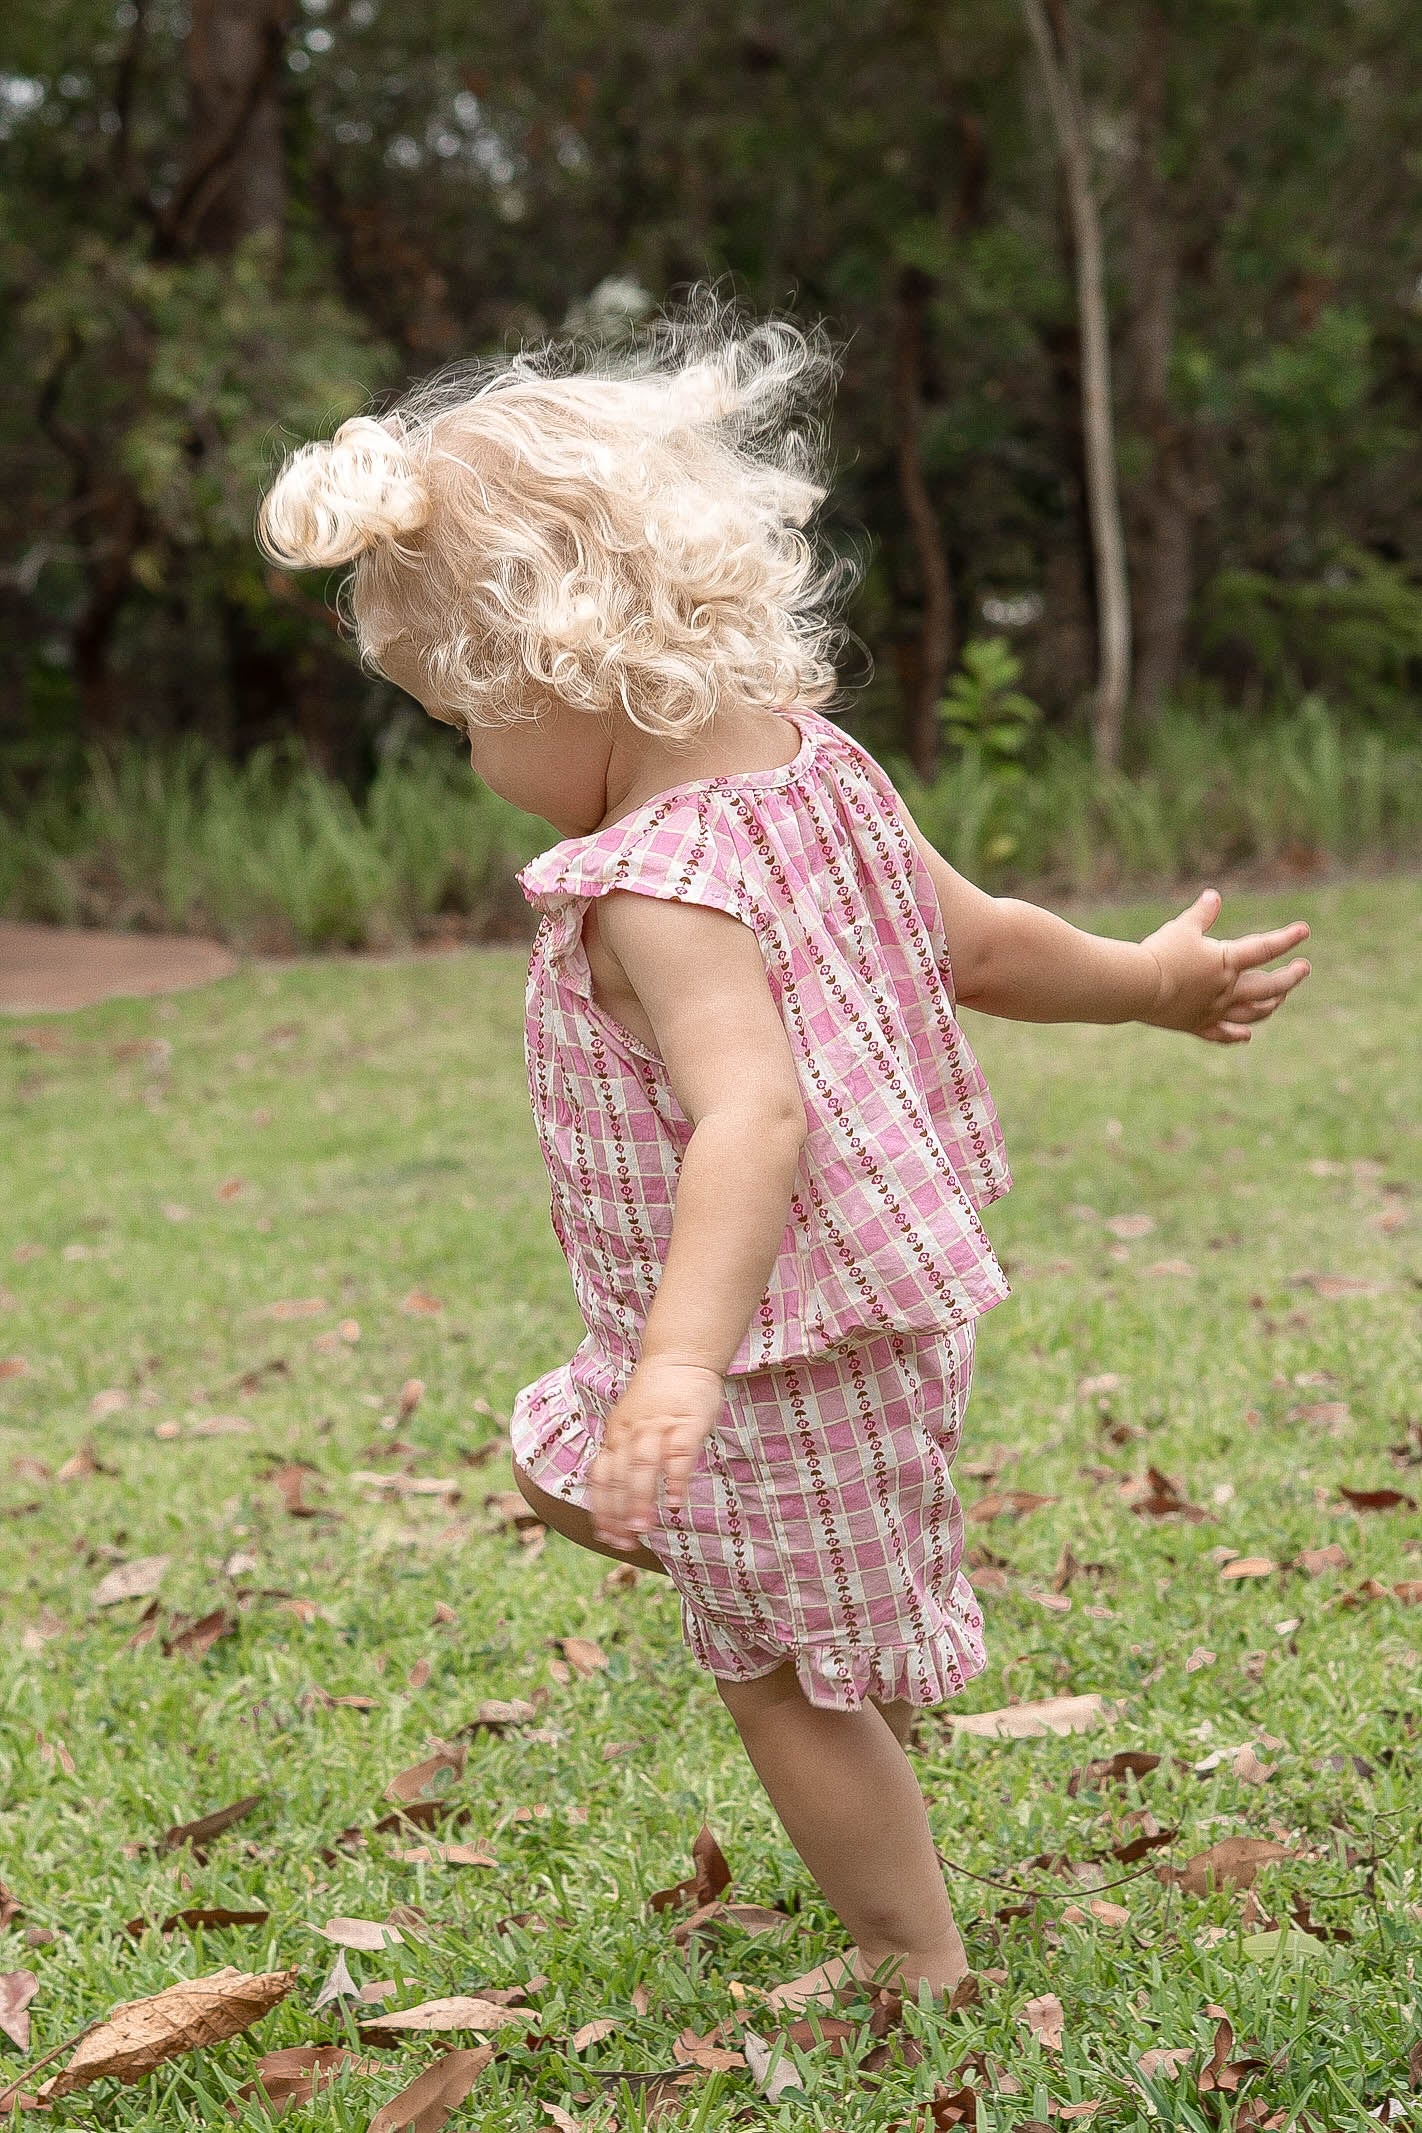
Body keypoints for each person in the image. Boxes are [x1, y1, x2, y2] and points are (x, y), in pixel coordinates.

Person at [257, 298, 1311, 2008]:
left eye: (463, 721)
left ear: (557, 672)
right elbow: (977, 942)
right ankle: (789, 1587)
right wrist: (1147, 985)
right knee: (630, 1491)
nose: (471, 760)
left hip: (761, 1339)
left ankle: (914, 1952)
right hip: (872, 1307)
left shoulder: (659, 876)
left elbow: (751, 1110)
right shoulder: (818, 770)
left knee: (778, 1674)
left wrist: (678, 1366)